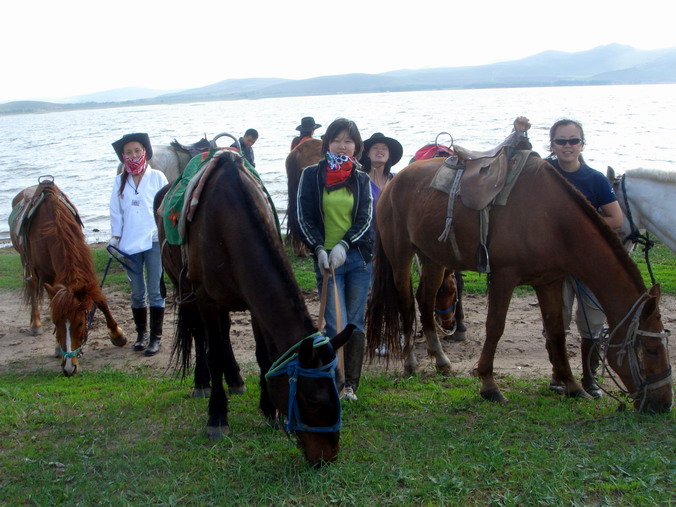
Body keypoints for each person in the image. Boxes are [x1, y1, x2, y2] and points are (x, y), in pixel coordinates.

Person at [545, 118, 624, 398]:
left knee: (592, 322)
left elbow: (616, 219)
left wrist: (583, 226)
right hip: (554, 263)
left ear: (582, 143)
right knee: (556, 319)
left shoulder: (595, 179)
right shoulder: (543, 173)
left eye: (573, 140)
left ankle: (589, 379)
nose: (567, 146)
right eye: (561, 141)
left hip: (590, 262)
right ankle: (558, 376)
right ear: (552, 145)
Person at [296, 118, 373, 402]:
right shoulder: (312, 175)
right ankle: (334, 380)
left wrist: (344, 245)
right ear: (327, 143)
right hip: (326, 261)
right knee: (332, 324)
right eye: (337, 140)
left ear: (356, 147)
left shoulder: (360, 178)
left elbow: (365, 219)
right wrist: (319, 249)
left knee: (354, 322)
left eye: (348, 141)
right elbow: (303, 216)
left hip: (357, 260)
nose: (342, 145)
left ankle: (350, 384)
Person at [110, 133, 168, 356]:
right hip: (129, 244)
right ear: (123, 156)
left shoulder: (158, 177)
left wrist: (165, 235)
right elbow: (116, 212)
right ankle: (141, 335)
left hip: (153, 241)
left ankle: (156, 338)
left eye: (137, 150)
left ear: (145, 151)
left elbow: (164, 207)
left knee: (155, 291)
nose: (133, 155)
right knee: (136, 293)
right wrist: (115, 238)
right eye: (128, 152)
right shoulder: (119, 180)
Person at [360, 132, 403, 206]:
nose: (380, 150)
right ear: (367, 153)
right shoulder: (360, 180)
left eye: (384, 148)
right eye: (375, 147)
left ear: (389, 155)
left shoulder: (395, 179)